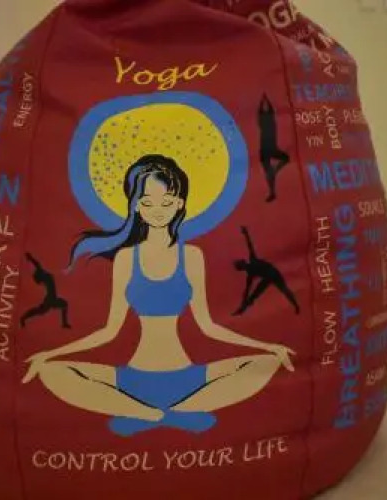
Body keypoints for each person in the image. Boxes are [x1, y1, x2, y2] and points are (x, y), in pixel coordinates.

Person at [22, 154, 295, 437]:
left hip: (189, 378)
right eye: (147, 202)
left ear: (180, 204)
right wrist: (51, 354)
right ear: (136, 206)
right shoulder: (126, 259)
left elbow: (208, 326)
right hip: (132, 380)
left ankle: (154, 413)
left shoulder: (191, 256)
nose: (157, 210)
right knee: (51, 370)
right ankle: (160, 414)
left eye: (166, 202)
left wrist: (266, 347)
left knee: (266, 362)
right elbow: (109, 331)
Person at [233, 226, 300, 315]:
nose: (241, 261)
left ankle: (296, 305)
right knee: (255, 295)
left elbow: (250, 245)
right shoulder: (250, 272)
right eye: (239, 263)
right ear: (242, 265)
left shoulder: (252, 263)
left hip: (273, 274)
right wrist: (244, 302)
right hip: (269, 277)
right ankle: (242, 309)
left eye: (239, 262)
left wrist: (246, 234)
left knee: (284, 290)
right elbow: (247, 290)